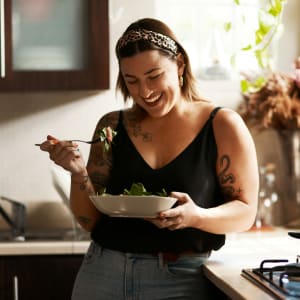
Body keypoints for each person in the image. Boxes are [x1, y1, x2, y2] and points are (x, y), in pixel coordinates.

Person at [39, 18, 259, 300]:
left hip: (181, 279)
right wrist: (77, 173)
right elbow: (90, 220)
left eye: (154, 76)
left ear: (179, 64)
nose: (145, 92)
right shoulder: (112, 125)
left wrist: (196, 217)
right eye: (132, 81)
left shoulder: (222, 124)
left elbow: (245, 212)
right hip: (101, 273)